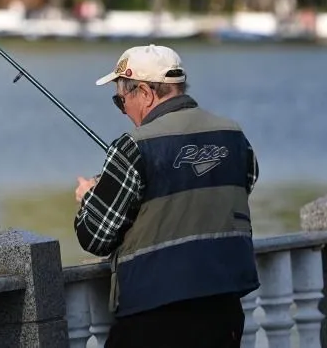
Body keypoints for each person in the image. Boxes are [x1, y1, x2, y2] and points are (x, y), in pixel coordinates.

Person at [74, 44, 260, 348]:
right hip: (224, 310)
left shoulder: (133, 146)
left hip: (155, 315)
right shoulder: (234, 135)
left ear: (146, 93)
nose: (124, 111)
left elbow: (95, 236)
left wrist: (89, 200)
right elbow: (240, 187)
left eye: (121, 100)